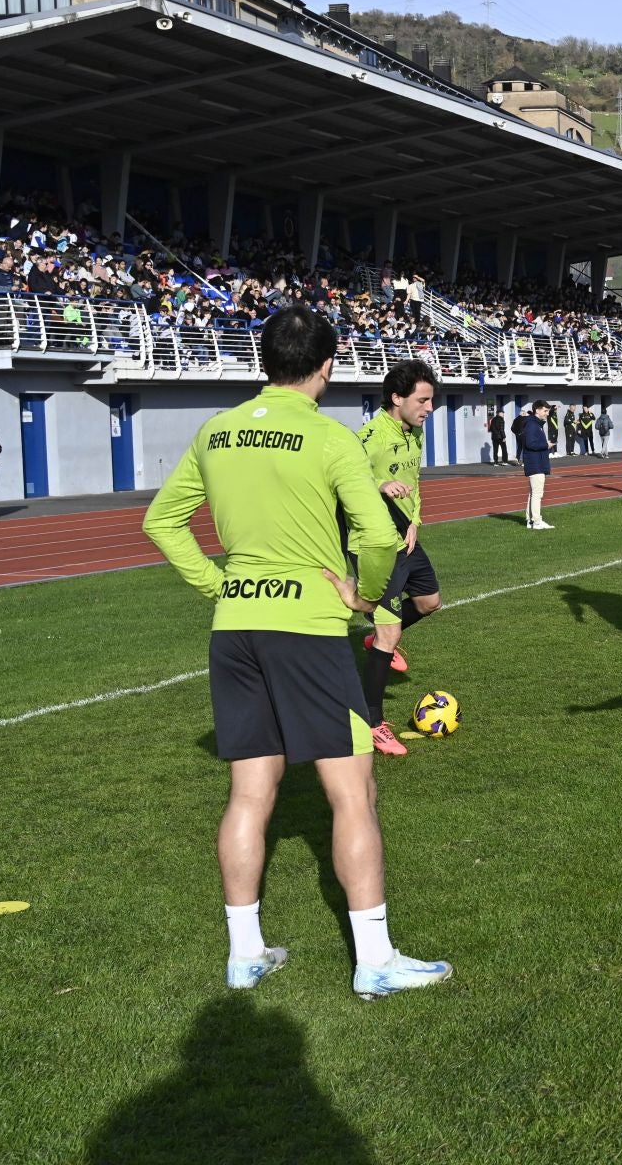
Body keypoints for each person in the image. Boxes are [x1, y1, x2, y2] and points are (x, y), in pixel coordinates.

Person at [141, 304, 452, 1000]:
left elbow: (160, 520)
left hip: (235, 627)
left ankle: (244, 954)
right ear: (327, 366)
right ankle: (374, 960)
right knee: (353, 792)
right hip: (308, 630)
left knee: (250, 793)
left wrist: (216, 583)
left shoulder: (215, 432)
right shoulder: (329, 437)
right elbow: (376, 539)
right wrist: (366, 598)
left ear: (262, 362)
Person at [355, 361, 445, 758]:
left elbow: (416, 485)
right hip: (375, 545)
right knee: (391, 636)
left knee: (429, 602)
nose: (429, 408)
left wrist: (415, 522)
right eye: (422, 400)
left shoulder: (416, 432)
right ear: (397, 398)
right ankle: (371, 722)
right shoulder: (370, 436)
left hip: (405, 535)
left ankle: (375, 639)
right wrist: (378, 484)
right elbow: (344, 479)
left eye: (431, 401)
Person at [520, 400, 552, 529]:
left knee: (533, 493)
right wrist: (546, 445)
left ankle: (531, 520)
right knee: (537, 494)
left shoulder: (535, 424)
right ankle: (537, 521)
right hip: (535, 463)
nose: (547, 414)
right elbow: (530, 444)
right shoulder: (532, 425)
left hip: (536, 462)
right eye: (545, 411)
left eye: (548, 411)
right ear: (537, 410)